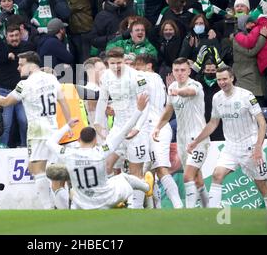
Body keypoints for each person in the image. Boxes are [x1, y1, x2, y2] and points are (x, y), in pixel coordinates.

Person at [0, 51, 72, 209]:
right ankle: (63, 209)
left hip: (37, 133)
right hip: (54, 131)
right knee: (55, 173)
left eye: (21, 64)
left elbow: (6, 102)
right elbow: (62, 100)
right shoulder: (52, 78)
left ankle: (49, 208)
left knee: (37, 170)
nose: (18, 68)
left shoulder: (24, 85)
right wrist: (68, 124)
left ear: (31, 65)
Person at [188, 66, 267, 209]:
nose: (222, 82)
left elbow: (262, 123)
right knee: (217, 175)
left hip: (251, 146)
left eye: (224, 79)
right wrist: (196, 141)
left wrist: (259, 147)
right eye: (219, 80)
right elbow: (213, 123)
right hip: (230, 147)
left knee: (263, 186)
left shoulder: (247, 96)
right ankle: (212, 213)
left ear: (232, 78)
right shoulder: (217, 98)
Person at [46, 93, 153, 209]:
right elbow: (124, 131)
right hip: (107, 199)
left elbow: (50, 142)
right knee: (124, 178)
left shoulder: (68, 153)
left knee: (73, 192)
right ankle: (147, 188)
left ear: (79, 139)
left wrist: (68, 126)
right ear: (95, 139)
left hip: (84, 204)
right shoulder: (101, 152)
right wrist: (138, 110)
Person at [94, 47, 151, 209]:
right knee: (105, 165)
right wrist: (98, 124)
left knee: (135, 170)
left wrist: (138, 128)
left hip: (136, 128)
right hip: (118, 128)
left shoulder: (137, 76)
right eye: (112, 63)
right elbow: (102, 100)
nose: (116, 66)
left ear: (124, 60)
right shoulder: (105, 77)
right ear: (108, 63)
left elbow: (145, 105)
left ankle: (136, 206)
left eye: (119, 62)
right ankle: (115, 199)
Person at [153, 57, 210, 209]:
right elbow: (168, 110)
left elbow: (189, 92)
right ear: (172, 71)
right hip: (182, 139)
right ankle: (209, 207)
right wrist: (158, 127)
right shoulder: (172, 86)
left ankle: (189, 211)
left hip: (198, 138)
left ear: (189, 70)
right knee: (196, 178)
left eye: (183, 70)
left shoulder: (195, 84)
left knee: (187, 176)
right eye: (176, 70)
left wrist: (177, 91)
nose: (180, 73)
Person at [134, 54, 178, 209]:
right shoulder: (158, 80)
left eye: (138, 65)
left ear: (149, 66)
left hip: (156, 128)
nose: (135, 68)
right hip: (152, 127)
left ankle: (178, 206)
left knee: (160, 168)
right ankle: (155, 207)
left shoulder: (146, 76)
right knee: (148, 171)